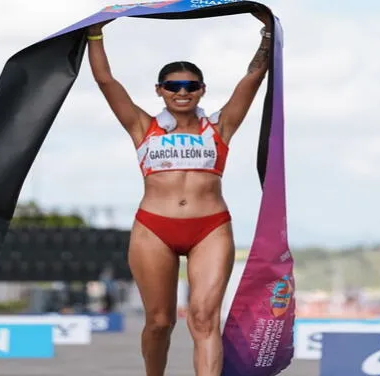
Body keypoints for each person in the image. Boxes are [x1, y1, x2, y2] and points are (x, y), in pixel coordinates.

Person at [86, 10, 273, 376]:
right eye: (173, 86)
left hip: (211, 228)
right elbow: (106, 81)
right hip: (154, 229)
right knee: (159, 322)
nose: (182, 92)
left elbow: (253, 77)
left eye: (190, 86)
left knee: (204, 319)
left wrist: (267, 32)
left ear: (202, 90)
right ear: (160, 90)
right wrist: (95, 35)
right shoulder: (143, 126)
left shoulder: (220, 126)